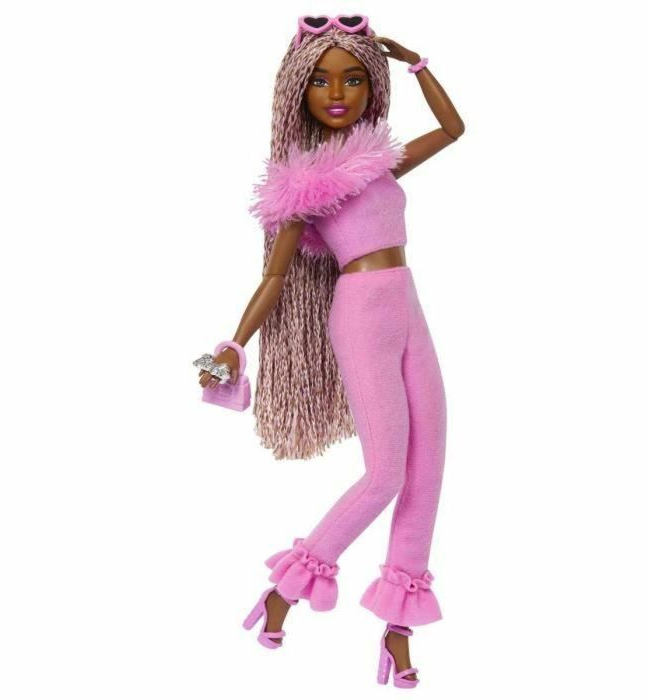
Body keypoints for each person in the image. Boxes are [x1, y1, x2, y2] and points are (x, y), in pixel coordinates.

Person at [196, 15, 464, 688]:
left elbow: (453, 129)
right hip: (362, 313)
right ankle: (286, 588)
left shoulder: (379, 158)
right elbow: (274, 277)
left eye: (352, 79)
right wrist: (232, 346)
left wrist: (416, 63)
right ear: (298, 89)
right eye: (321, 81)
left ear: (372, 87)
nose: (337, 93)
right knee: (384, 474)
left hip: (407, 303)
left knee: (428, 464)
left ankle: (398, 630)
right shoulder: (302, 183)